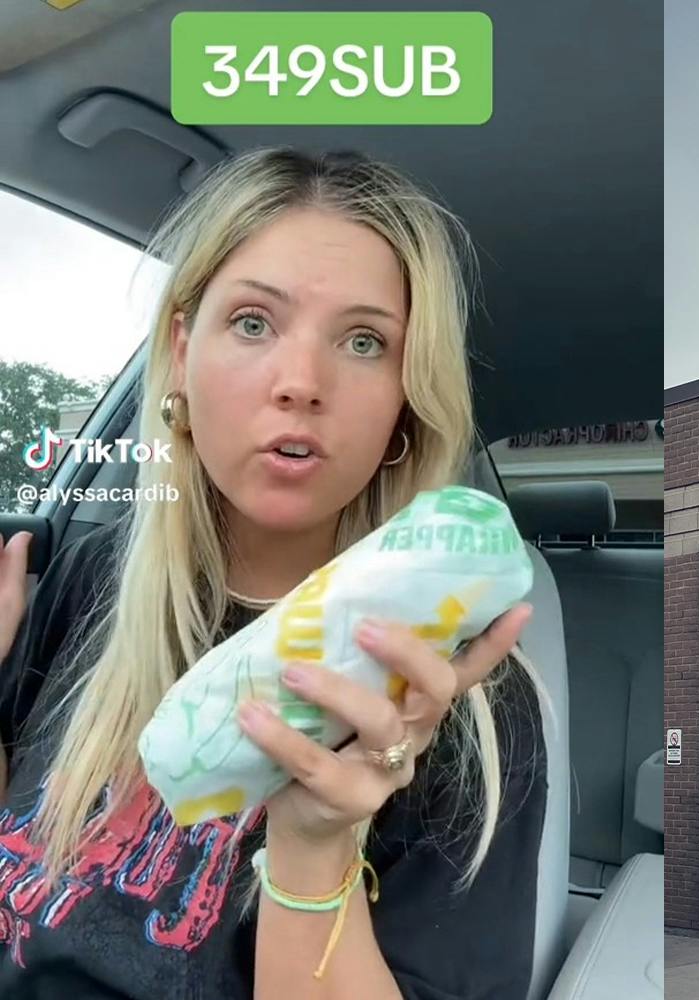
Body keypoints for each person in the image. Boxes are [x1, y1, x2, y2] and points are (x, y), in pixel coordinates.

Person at [0, 148, 545, 998]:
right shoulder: (79, 581)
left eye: (364, 341)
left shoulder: (456, 702)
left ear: (406, 397)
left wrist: (317, 843)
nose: (301, 384)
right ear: (180, 353)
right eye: (254, 323)